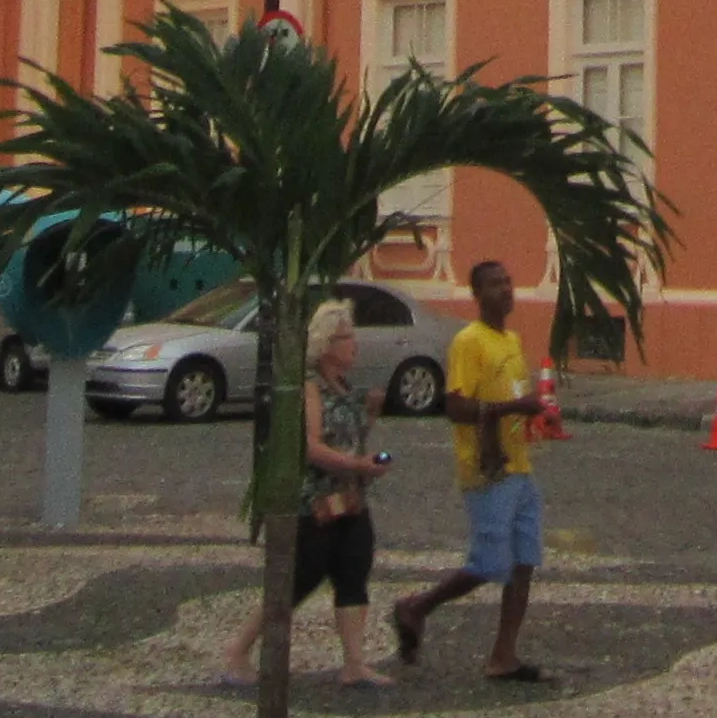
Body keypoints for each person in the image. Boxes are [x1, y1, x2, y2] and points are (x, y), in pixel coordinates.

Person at [389, 258, 551, 681]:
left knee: (524, 562)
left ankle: (504, 655)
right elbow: (456, 406)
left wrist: (530, 413)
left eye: (509, 281)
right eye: (495, 284)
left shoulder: (512, 340)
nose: (506, 290)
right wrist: (517, 407)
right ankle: (416, 607)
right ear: (477, 295)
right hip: (487, 471)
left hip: (519, 465)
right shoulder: (468, 342)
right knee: (487, 564)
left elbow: (510, 395)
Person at [223, 299, 394, 687]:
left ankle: (354, 663)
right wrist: (358, 465)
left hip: (350, 498)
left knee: (354, 570)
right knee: (299, 578)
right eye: (347, 337)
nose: (355, 345)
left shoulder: (344, 386)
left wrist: (369, 416)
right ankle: (239, 649)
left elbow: (350, 440)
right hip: (316, 502)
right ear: (327, 343)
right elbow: (312, 448)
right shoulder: (310, 387)